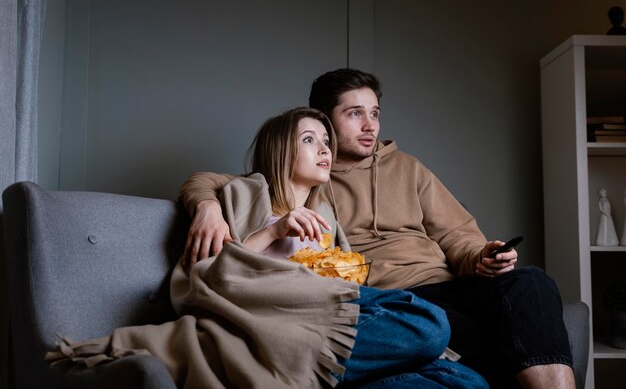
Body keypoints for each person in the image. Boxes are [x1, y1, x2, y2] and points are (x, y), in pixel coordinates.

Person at [179, 69, 575, 389]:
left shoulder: (409, 169)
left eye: (375, 113)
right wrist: (207, 207)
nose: (370, 125)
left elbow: (458, 235)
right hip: (393, 298)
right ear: (324, 119)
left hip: (450, 282)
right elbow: (210, 182)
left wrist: (482, 256)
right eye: (354, 113)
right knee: (474, 343)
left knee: (532, 284)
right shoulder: (307, 173)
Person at [211, 107, 487, 388]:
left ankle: (317, 375)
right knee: (430, 325)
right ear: (280, 151)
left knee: (468, 380)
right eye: (309, 140)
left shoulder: (326, 218)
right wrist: (274, 230)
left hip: (337, 317)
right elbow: (219, 274)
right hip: (291, 319)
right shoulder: (249, 198)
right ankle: (298, 367)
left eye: (326, 142)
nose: (324, 150)